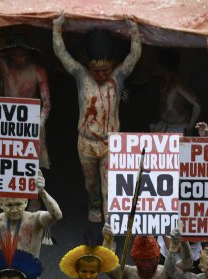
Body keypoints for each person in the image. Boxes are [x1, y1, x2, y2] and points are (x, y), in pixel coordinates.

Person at [53, 15, 142, 222]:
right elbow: (61, 53)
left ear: (111, 67)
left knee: (108, 186)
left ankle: (109, 228)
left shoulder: (117, 77)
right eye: (96, 71)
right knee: (91, 183)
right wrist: (57, 28)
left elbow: (134, 55)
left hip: (109, 142)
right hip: (86, 142)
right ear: (89, 68)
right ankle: (93, 204)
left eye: (104, 70)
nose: (101, 75)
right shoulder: (81, 75)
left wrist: (134, 29)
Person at [0, 31, 52, 169]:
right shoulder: (4, 66)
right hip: (7, 123)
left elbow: (46, 104)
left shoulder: (38, 71)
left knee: (32, 166)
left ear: (28, 55)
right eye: (15, 56)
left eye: (22, 55)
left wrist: (38, 124)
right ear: (10, 55)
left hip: (32, 122)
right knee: (7, 164)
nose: (18, 59)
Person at [150, 49, 201, 135]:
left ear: (162, 66)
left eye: (156, 63)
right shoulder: (164, 82)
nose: (154, 66)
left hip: (177, 129)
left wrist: (190, 126)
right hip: (163, 125)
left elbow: (197, 105)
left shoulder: (178, 85)